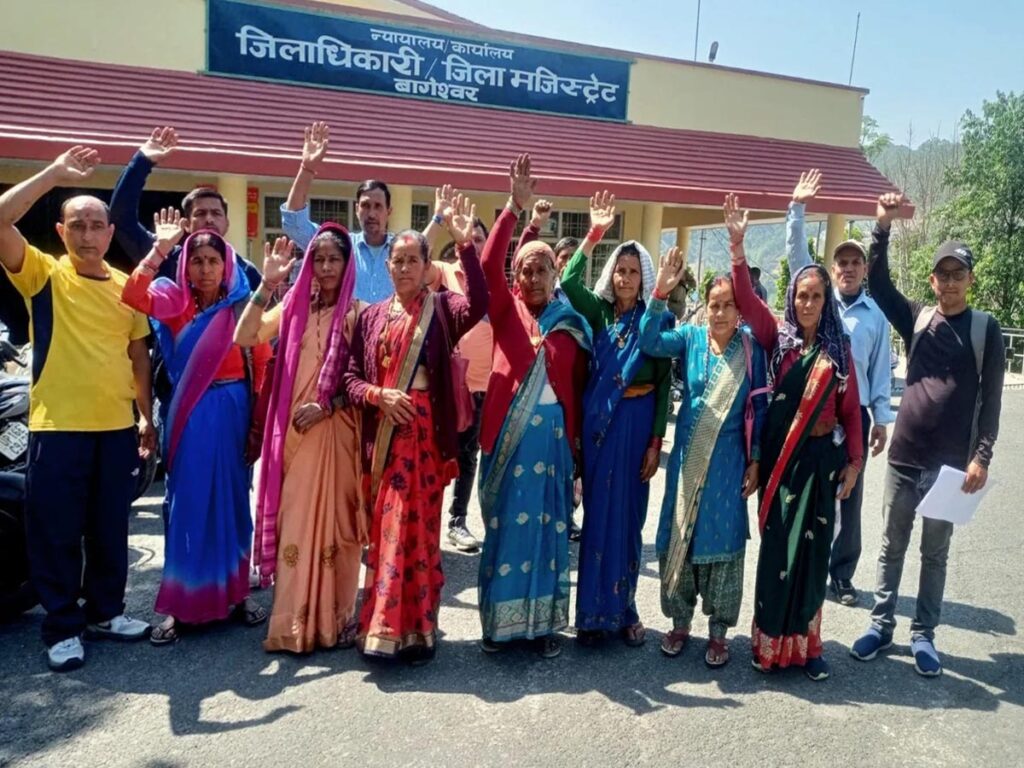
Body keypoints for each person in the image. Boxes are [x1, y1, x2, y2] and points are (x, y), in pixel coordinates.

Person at [0, 147, 154, 671]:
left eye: (96, 226)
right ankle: (63, 626)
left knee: (110, 527)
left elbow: (138, 355)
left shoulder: (128, 289)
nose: (88, 235)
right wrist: (53, 174)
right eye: (78, 226)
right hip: (59, 427)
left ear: (111, 234)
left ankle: (106, 612)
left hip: (115, 428)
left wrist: (146, 417)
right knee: (57, 531)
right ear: (61, 232)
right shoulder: (43, 275)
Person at [851, 194, 1004, 677]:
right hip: (905, 456)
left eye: (959, 274)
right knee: (891, 546)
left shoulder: (985, 330)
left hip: (950, 466)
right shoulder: (917, 318)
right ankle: (880, 625)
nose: (950, 282)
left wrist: (981, 457)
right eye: (943, 274)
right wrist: (882, 228)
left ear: (970, 279)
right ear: (933, 280)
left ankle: (923, 634)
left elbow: (992, 401)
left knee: (934, 555)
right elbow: (878, 284)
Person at [342, 195, 487, 664]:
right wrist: (378, 395)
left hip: (425, 436)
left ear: (427, 267)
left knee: (419, 532)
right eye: (398, 260)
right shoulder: (371, 317)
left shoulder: (442, 309)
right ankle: (382, 626)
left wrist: (466, 248)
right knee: (386, 529)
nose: (404, 268)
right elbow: (350, 378)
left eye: (413, 260)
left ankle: (419, 629)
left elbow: (481, 303)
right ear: (387, 266)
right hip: (385, 434)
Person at [728, 193, 863, 682]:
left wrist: (854, 463)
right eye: (801, 295)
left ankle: (808, 647)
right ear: (792, 297)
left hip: (822, 464)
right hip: (783, 467)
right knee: (777, 554)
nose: (807, 304)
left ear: (826, 302)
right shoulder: (778, 340)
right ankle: (769, 645)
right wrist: (738, 249)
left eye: (816, 297)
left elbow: (851, 412)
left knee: (812, 554)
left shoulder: (839, 351)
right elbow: (746, 301)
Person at [121, 213, 270, 644]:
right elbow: (132, 293)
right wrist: (161, 248)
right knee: (187, 503)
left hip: (234, 409)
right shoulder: (173, 301)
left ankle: (237, 594)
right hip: (189, 412)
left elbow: (261, 365)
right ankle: (179, 604)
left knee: (232, 502)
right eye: (198, 261)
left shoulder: (242, 305)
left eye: (213, 261)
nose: (205, 269)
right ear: (186, 265)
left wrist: (257, 425)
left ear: (227, 265)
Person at [476, 155, 592, 659]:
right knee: (506, 534)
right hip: (510, 441)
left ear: (554, 273)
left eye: (542, 269)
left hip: (554, 448)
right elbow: (487, 267)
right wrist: (514, 209)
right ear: (517, 278)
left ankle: (542, 626)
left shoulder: (571, 325)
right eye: (526, 270)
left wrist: (579, 452)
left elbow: (580, 390)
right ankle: (499, 628)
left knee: (549, 531)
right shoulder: (507, 311)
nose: (534, 277)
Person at [235, 224, 366, 653]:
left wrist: (327, 406)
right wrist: (267, 285)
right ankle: (292, 624)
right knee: (296, 524)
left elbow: (366, 382)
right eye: (319, 258)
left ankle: (335, 621)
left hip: (337, 435)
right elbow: (245, 336)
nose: (325, 267)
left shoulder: (360, 315)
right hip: (293, 436)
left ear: (347, 265)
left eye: (334, 259)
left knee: (338, 530)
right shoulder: (293, 306)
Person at [640, 250, 768, 667]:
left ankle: (718, 632)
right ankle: (680, 623)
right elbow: (649, 341)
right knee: (681, 534)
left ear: (739, 310)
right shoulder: (691, 339)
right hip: (687, 459)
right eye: (714, 305)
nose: (720, 312)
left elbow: (760, 408)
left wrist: (756, 460)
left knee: (722, 541)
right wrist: (660, 293)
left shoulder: (751, 350)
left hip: (729, 462)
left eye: (728, 305)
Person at [559, 191, 672, 648]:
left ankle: (625, 610)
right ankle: (591, 615)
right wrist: (595, 233)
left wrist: (655, 443)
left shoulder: (656, 318)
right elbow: (568, 280)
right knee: (598, 518)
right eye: (619, 270)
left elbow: (663, 383)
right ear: (611, 273)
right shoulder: (599, 312)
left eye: (633, 272)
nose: (625, 278)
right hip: (601, 424)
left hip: (639, 422)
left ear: (644, 279)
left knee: (629, 521)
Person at [787, 169, 895, 606]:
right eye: (842, 263)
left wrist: (881, 419)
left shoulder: (875, 317)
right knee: (807, 489)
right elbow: (797, 259)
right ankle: (802, 562)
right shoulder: (819, 302)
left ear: (864, 269)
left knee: (850, 495)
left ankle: (843, 573)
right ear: (831, 271)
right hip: (813, 410)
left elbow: (881, 372)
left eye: (855, 263)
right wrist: (797, 208)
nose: (848, 269)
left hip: (856, 414)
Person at [424, 207, 493, 552]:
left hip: (482, 387)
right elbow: (419, 262)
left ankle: (457, 522)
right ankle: (427, 524)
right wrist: (440, 222)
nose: (474, 243)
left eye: (480, 238)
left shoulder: (492, 281)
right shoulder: (444, 271)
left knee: (467, 458)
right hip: (448, 386)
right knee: (437, 455)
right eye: (469, 237)